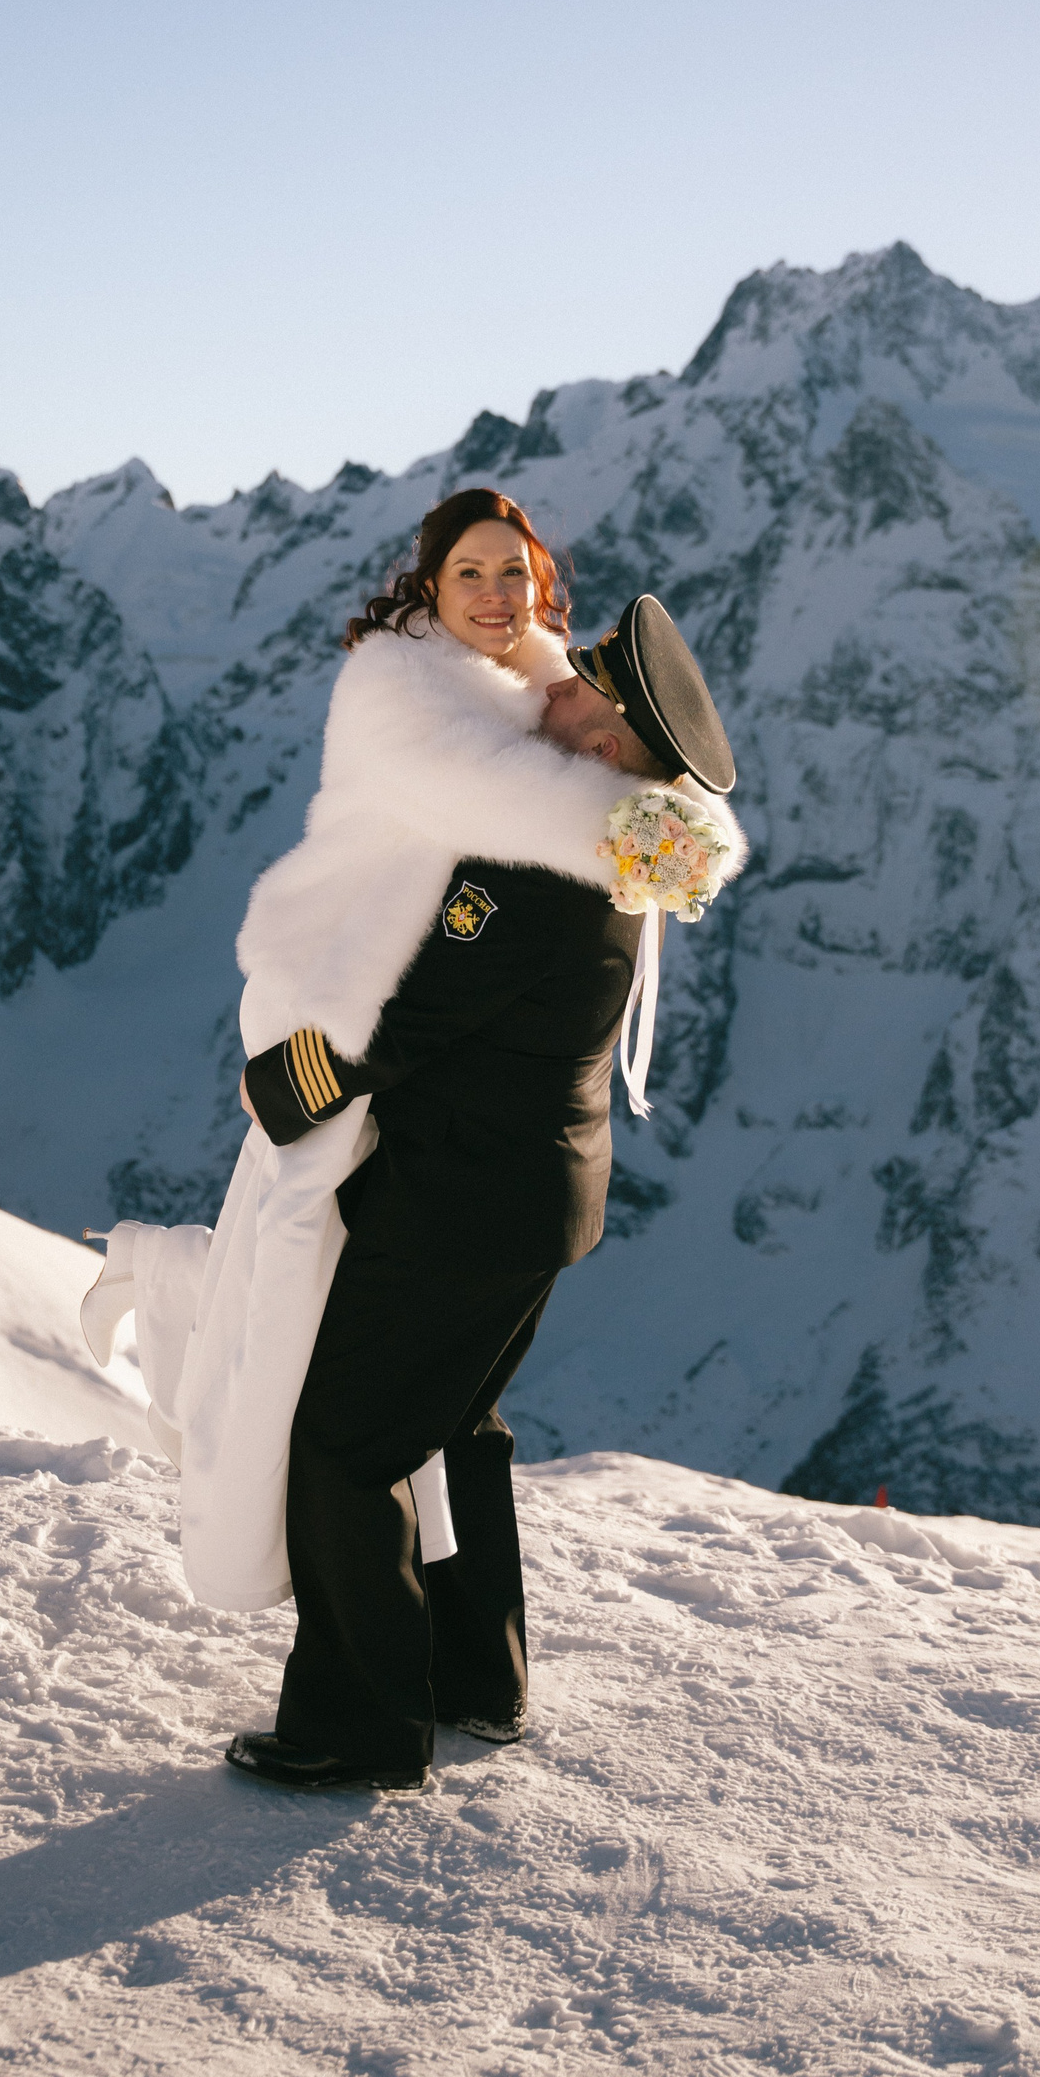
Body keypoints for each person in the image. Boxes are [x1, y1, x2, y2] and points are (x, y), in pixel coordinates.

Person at [224, 552, 743, 1793]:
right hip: (537, 1200)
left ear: (607, 749)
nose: (554, 685)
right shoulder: (610, 852)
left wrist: (287, 1082)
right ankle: (476, 1678)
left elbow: (407, 1017)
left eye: (582, 692)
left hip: (461, 1203)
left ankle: (359, 1726)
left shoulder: (537, 868)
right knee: (455, 1428)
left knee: (346, 1444)